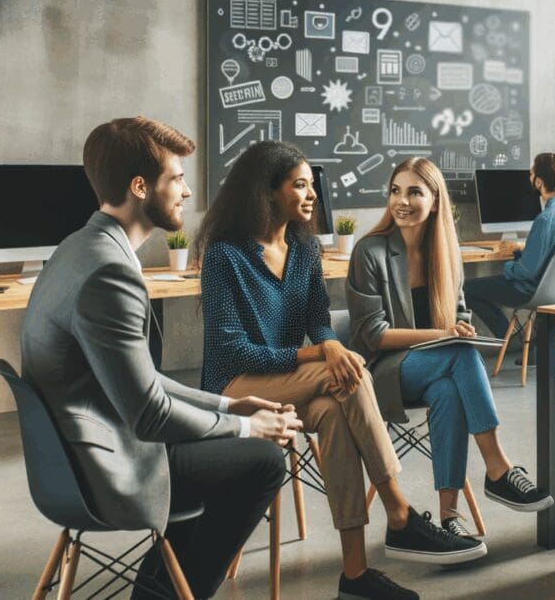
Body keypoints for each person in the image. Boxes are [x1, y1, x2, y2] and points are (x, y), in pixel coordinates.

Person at [21, 117, 294, 600]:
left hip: (67, 459)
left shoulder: (77, 247)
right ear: (140, 186)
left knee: (236, 446)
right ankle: (165, 594)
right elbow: (148, 416)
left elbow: (143, 380)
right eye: (177, 178)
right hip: (107, 471)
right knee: (264, 461)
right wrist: (251, 429)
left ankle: (160, 589)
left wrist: (228, 407)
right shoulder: (110, 274)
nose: (187, 192)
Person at [198, 142, 480, 600]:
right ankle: (400, 513)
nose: (313, 195)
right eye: (301, 185)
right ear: (268, 191)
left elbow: (317, 321)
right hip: (236, 387)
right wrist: (321, 356)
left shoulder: (305, 249)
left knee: (333, 409)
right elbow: (233, 350)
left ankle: (354, 575)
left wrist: (327, 343)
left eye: (312, 184)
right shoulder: (225, 255)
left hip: (289, 380)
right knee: (347, 375)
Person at [346, 157, 553, 541]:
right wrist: (442, 336)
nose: (401, 201)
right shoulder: (369, 252)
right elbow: (372, 335)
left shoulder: (445, 254)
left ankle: (449, 516)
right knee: (460, 354)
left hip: (433, 371)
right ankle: (498, 467)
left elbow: (458, 313)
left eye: (414, 192)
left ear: (436, 201)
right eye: (395, 191)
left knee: (448, 389)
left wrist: (459, 328)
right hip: (383, 374)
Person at [464, 152, 555, 348]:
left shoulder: (546, 219)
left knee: (467, 289)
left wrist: (509, 266)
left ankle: (515, 342)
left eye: (531, 175)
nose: (529, 179)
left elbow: (527, 272)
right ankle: (525, 344)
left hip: (535, 292)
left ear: (539, 182)